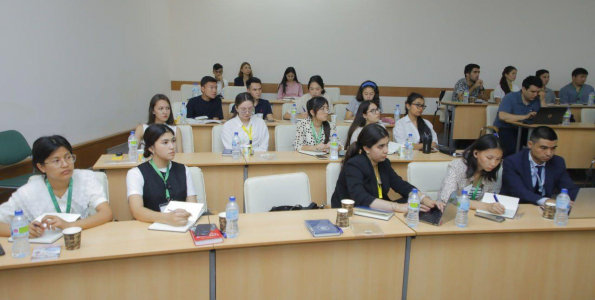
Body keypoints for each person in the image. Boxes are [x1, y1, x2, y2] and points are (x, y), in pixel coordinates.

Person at [0, 136, 113, 237]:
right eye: (56, 161)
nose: (65, 164)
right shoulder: (28, 191)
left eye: (68, 157)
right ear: (41, 167)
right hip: (45, 249)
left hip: (81, 238)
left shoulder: (86, 178)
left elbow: (106, 213)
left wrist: (70, 225)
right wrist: (20, 230)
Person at [331, 124, 444, 212]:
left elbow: (401, 185)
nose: (386, 150)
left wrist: (423, 199)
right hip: (352, 211)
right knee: (406, 207)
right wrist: (398, 207)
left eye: (387, 145)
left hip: (376, 209)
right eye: (380, 146)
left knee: (418, 204)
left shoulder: (384, 163)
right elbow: (360, 197)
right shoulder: (354, 164)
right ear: (366, 148)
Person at [127, 124, 198, 225]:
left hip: (180, 226)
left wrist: (183, 216)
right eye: (165, 142)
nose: (172, 147)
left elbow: (193, 206)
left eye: (173, 141)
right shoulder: (135, 173)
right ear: (151, 148)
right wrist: (166, 218)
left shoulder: (184, 170)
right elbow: (136, 211)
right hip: (149, 227)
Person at [501, 126, 579, 205]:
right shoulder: (513, 162)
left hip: (544, 210)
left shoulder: (558, 162)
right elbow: (519, 191)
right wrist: (546, 201)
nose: (549, 153)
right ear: (530, 144)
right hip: (518, 206)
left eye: (553, 148)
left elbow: (568, 187)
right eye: (543, 148)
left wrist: (581, 200)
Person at [437, 134, 506, 214]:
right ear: (476, 153)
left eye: (498, 159)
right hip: (450, 214)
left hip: (474, 215)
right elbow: (449, 199)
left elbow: (486, 199)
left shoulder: (489, 171)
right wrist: (486, 206)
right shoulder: (457, 166)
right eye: (489, 158)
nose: (493, 163)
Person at [493, 76, 546, 157]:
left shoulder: (537, 100)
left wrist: (542, 100)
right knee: (512, 148)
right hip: (506, 128)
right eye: (532, 91)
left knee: (543, 144)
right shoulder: (510, 97)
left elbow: (546, 117)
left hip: (527, 129)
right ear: (524, 89)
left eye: (538, 92)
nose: (535, 95)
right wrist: (525, 117)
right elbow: (502, 116)